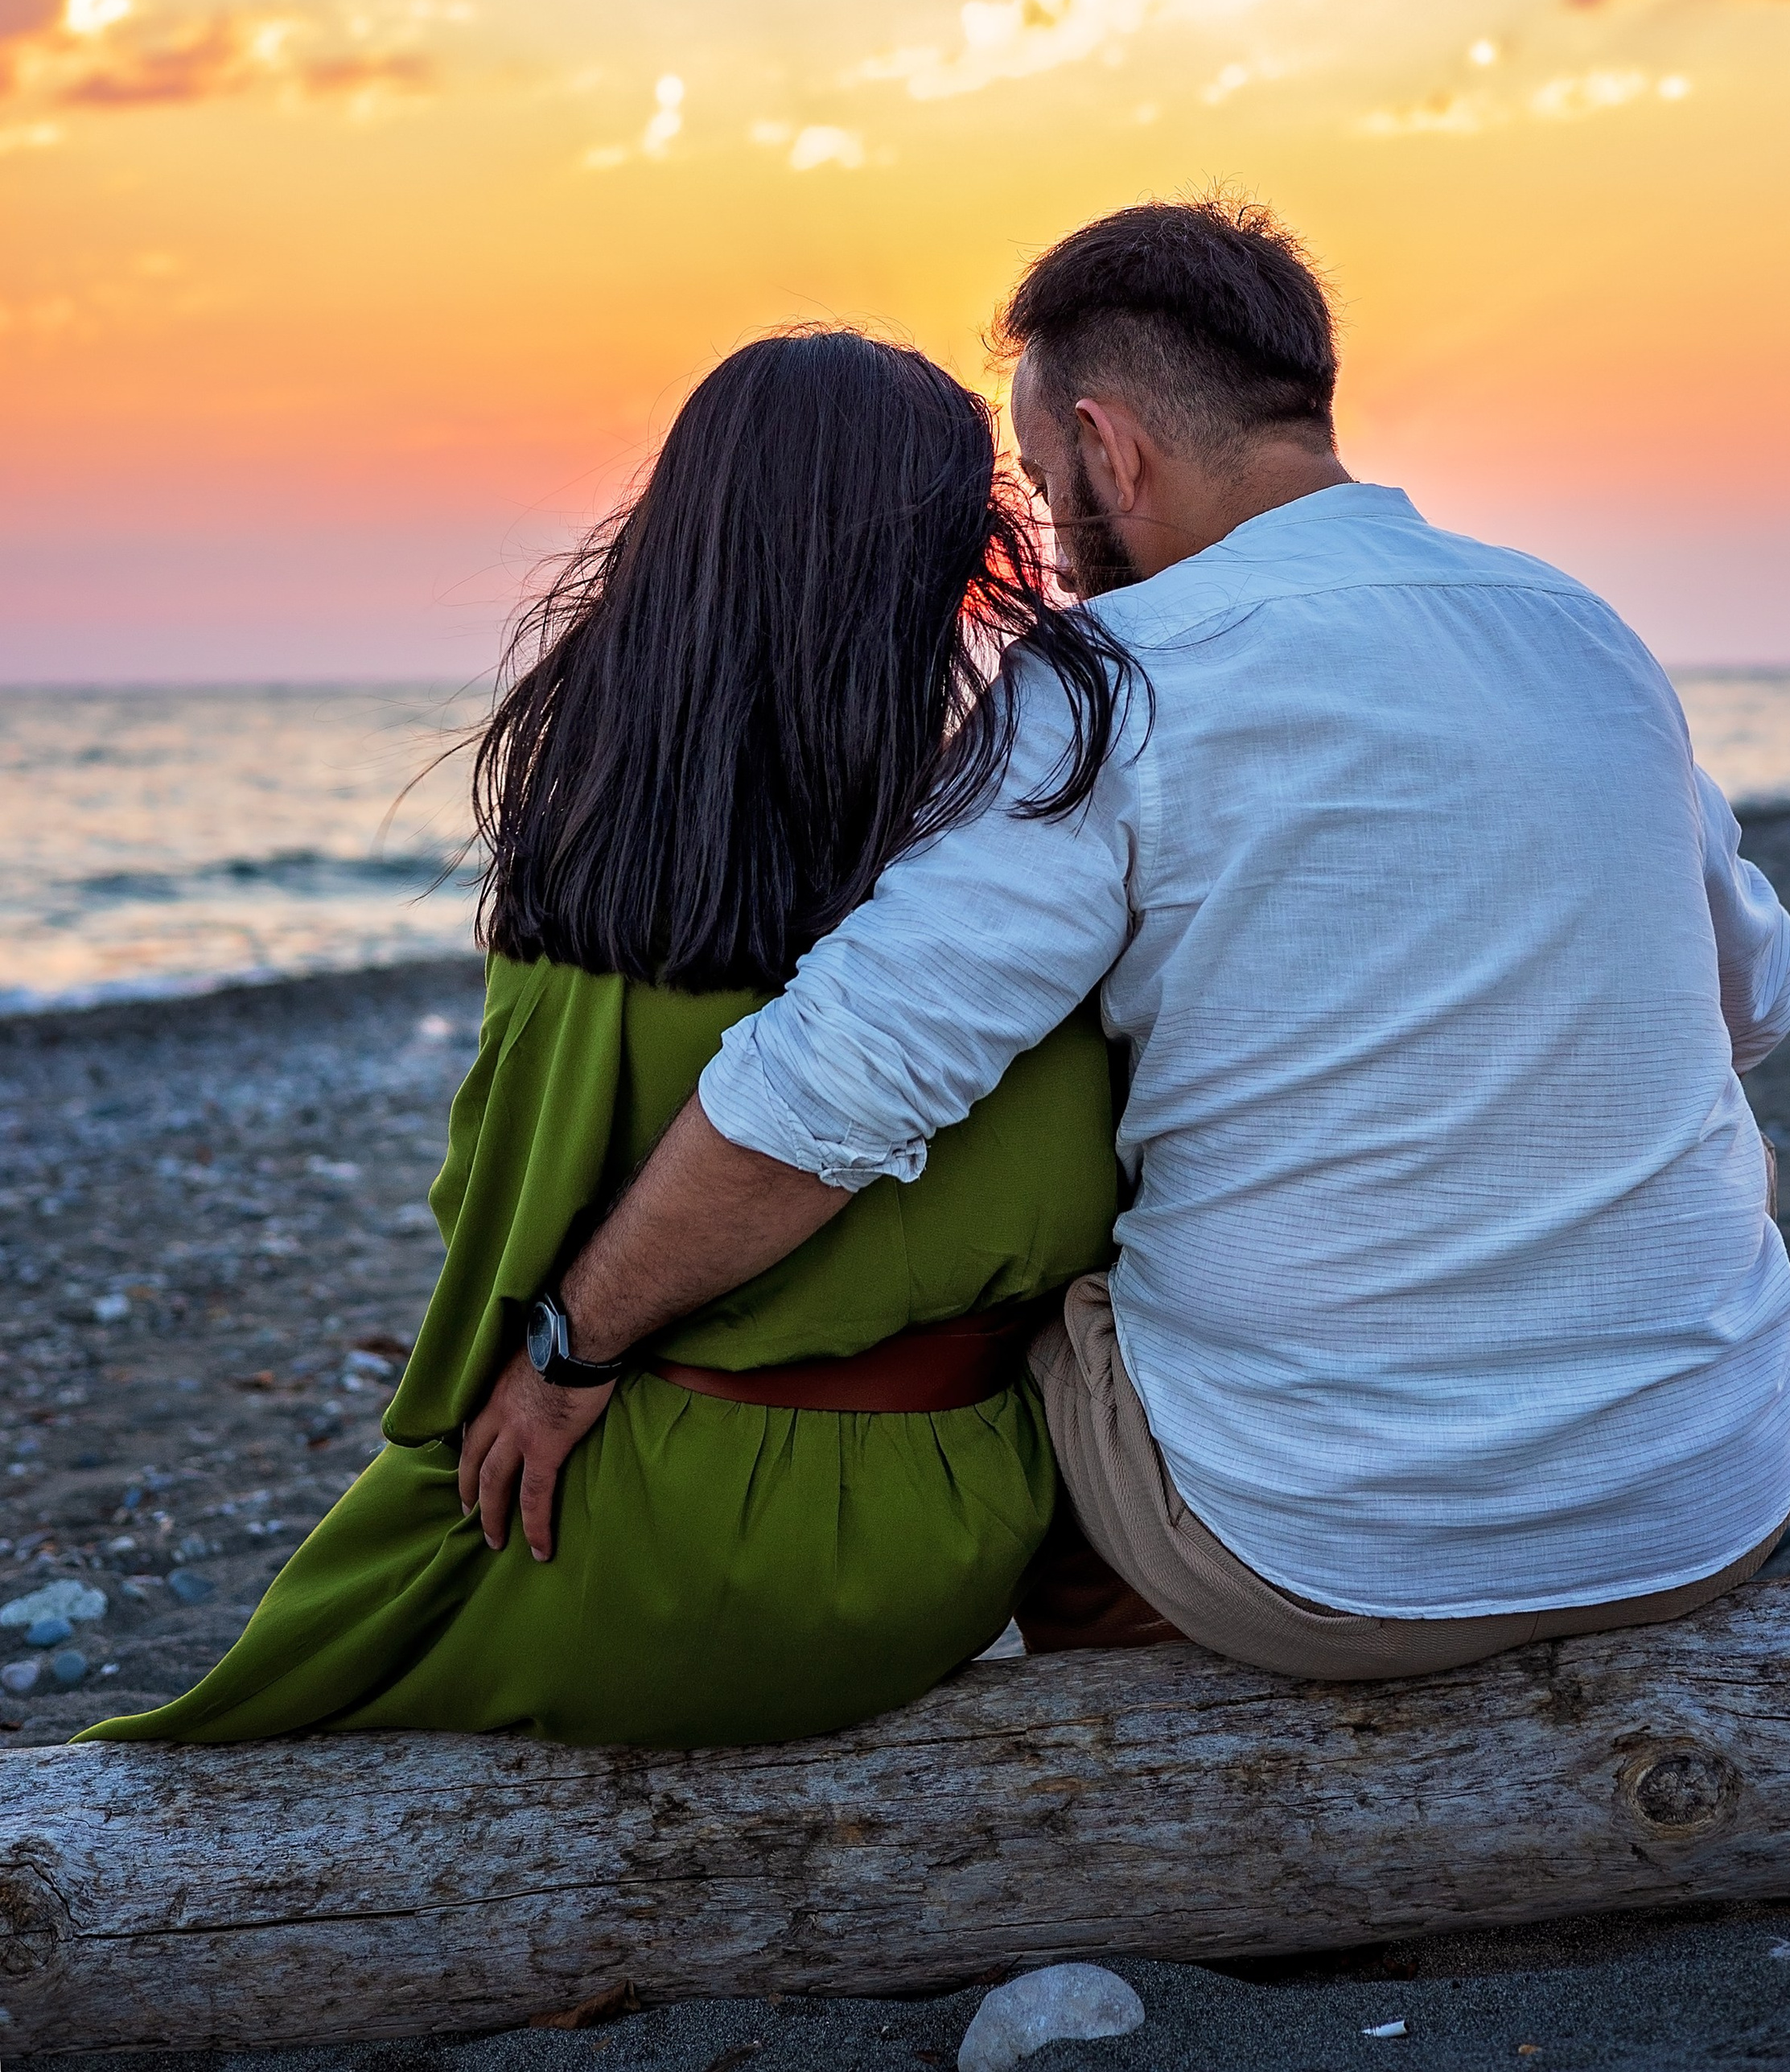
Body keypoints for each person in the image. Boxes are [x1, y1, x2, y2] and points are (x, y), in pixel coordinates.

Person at [467, 196, 1790, 1685]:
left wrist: (569, 1344)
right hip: (1712, 1498)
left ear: (1112, 449)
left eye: (1046, 490)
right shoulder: (1578, 630)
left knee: (1045, 1263)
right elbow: (1752, 995)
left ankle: (1136, 1697)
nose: (1051, 548)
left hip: (1330, 1565)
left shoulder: (1117, 679)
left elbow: (838, 1081)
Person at [82, 333, 1128, 1748]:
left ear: (683, 549)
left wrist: (545, 1366)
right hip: (956, 1536)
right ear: (947, 572)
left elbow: (495, 1238)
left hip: (663, 1545)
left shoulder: (613, 912)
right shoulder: (1023, 905)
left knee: (275, 1696)